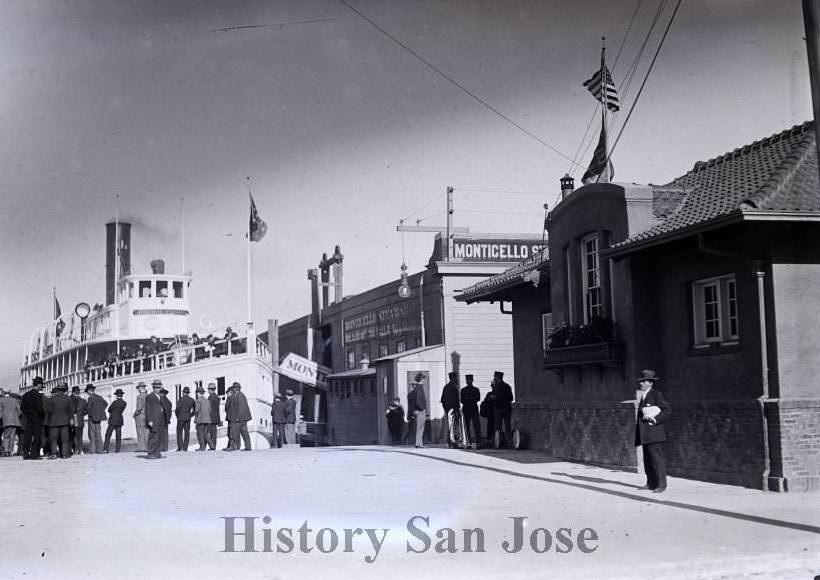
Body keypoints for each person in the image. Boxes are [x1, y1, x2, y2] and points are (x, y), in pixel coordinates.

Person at [634, 369, 672, 493]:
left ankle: (661, 485)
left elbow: (667, 410)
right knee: (648, 460)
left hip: (654, 433)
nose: (641, 383)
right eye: (641, 381)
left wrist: (655, 419)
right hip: (645, 434)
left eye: (644, 381)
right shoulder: (644, 395)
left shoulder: (656, 394)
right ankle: (651, 483)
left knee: (657, 460)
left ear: (650, 383)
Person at [20, 377, 45, 459]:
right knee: (37, 437)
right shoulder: (38, 395)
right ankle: (34, 454)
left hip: (28, 418)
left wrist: (28, 413)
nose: (41, 387)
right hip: (37, 418)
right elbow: (40, 408)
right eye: (41, 385)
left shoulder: (26, 395)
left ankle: (25, 454)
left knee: (28, 436)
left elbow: (22, 408)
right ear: (38, 385)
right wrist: (42, 415)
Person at [46, 383, 73, 459]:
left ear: (57, 390)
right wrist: (71, 419)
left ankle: (54, 453)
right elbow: (71, 410)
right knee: (64, 439)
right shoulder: (68, 399)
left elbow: (49, 410)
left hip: (54, 422)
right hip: (65, 421)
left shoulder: (52, 399)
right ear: (64, 390)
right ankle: (64, 454)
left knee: (54, 438)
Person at [225, 382, 252, 451]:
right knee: (244, 433)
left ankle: (232, 446)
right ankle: (248, 446)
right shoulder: (241, 395)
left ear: (235, 389)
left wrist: (237, 417)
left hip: (239, 418)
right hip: (243, 418)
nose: (233, 390)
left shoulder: (239, 396)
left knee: (233, 432)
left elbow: (240, 408)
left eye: (233, 388)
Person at [144, 380, 167, 459]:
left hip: (161, 419)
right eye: (156, 387)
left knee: (160, 436)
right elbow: (147, 409)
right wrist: (149, 420)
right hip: (153, 420)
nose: (157, 389)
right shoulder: (149, 396)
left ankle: (157, 453)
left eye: (159, 387)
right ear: (153, 388)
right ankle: (150, 453)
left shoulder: (161, 396)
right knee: (153, 436)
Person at [492, 371, 513, 444]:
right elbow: (511, 398)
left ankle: (498, 442)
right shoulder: (508, 386)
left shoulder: (496, 387)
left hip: (498, 409)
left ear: (497, 377)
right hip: (507, 408)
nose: (494, 378)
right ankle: (509, 441)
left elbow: (496, 398)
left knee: (498, 426)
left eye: (495, 377)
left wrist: (494, 398)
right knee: (508, 425)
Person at [440, 372, 461, 448]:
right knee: (454, 427)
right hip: (454, 410)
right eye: (456, 377)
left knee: (450, 426)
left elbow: (442, 400)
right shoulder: (454, 387)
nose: (457, 379)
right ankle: (454, 443)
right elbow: (456, 401)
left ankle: (450, 443)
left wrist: (446, 409)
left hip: (448, 410)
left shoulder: (446, 387)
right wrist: (457, 410)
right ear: (453, 378)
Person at [460, 374, 481, 448]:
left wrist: (468, 399)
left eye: (469, 380)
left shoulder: (464, 390)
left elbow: (478, 398)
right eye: (467, 380)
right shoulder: (475, 390)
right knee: (469, 427)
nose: (468, 381)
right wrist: (472, 399)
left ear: (472, 380)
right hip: (472, 409)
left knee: (474, 427)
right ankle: (473, 443)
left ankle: (474, 443)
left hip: (468, 409)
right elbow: (462, 400)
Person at [103, 389, 127, 453]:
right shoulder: (124, 403)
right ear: (122, 395)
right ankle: (117, 449)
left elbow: (109, 409)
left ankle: (106, 449)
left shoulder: (114, 402)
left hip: (113, 419)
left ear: (116, 395)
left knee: (108, 434)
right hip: (119, 419)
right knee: (118, 435)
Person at [85, 384, 107, 454]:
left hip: (92, 417)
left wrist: (89, 413)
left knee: (92, 434)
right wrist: (100, 411)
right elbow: (105, 404)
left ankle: (93, 450)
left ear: (89, 391)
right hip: (98, 417)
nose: (87, 393)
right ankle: (100, 449)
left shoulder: (90, 398)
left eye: (87, 391)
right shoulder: (99, 397)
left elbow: (89, 408)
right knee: (98, 433)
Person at [0, 388, 21, 457]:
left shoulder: (1, 400)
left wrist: (2, 417)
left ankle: (6, 451)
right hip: (14, 421)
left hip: (6, 420)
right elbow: (19, 411)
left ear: (3, 392)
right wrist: (16, 416)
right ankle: (11, 451)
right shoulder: (15, 400)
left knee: (6, 436)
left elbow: (0, 411)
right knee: (12, 436)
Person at [408, 375, 427, 448]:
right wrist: (422, 408)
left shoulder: (416, 388)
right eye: (423, 379)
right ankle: (418, 443)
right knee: (420, 427)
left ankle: (419, 443)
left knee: (419, 427)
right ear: (421, 379)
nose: (424, 381)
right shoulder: (420, 388)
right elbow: (418, 400)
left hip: (417, 410)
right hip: (420, 410)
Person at [174, 386, 195, 451]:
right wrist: (191, 415)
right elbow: (195, 410)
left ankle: (180, 447)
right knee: (187, 433)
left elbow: (177, 409)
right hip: (188, 417)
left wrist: (177, 415)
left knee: (179, 432)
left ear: (183, 392)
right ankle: (185, 448)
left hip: (180, 417)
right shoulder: (192, 400)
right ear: (188, 393)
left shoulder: (180, 400)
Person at [69, 385, 87, 455]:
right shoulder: (82, 400)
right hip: (79, 419)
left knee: (74, 435)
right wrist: (82, 414)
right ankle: (79, 449)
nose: (77, 392)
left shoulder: (69, 399)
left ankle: (76, 449)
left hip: (73, 419)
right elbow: (86, 410)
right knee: (78, 435)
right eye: (77, 391)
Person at [194, 386, 212, 451]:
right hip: (207, 420)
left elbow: (197, 410)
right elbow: (210, 411)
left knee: (200, 434)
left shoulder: (198, 400)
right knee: (205, 434)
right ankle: (212, 445)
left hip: (200, 420)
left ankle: (202, 447)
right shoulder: (207, 401)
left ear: (198, 393)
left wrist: (195, 417)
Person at [132, 382, 148, 453]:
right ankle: (147, 447)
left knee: (140, 431)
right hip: (146, 415)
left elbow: (139, 408)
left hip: (140, 416)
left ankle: (141, 447)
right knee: (146, 432)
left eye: (138, 388)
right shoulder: (147, 396)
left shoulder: (139, 397)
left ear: (140, 388)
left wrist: (134, 414)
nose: (138, 389)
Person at [207, 383, 221, 450]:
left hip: (211, 417)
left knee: (208, 433)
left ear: (210, 389)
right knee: (214, 433)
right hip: (216, 417)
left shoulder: (210, 397)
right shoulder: (217, 397)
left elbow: (208, 408)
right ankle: (214, 446)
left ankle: (212, 446)